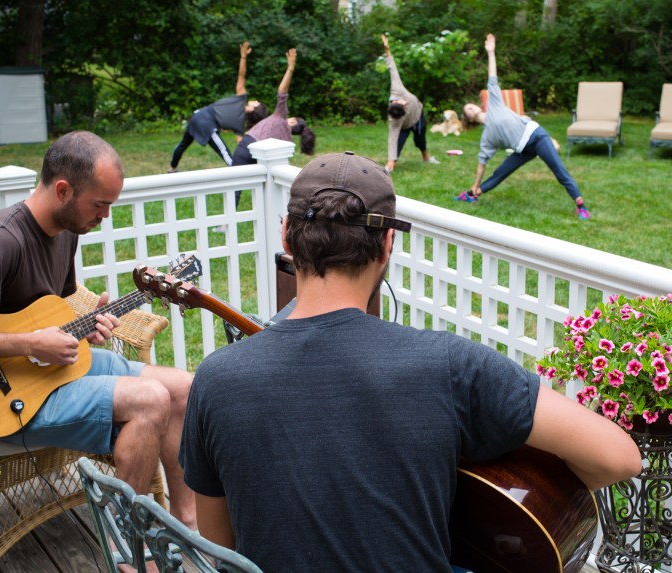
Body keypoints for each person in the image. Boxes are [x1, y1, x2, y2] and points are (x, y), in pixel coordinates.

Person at [178, 151, 642, 572]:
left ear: (287, 236)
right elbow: (619, 458)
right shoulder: (450, 365)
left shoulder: (216, 378)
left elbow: (222, 541)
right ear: (386, 247)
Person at [0, 131, 196, 534]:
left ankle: (189, 523)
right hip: (7, 397)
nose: (105, 216)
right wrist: (29, 343)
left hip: (51, 374)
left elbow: (46, 312)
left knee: (184, 388)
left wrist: (88, 322)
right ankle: (126, 544)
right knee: (150, 399)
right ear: (63, 189)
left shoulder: (65, 232)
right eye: (100, 204)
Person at [455, 34, 590, 220]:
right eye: (467, 110)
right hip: (523, 149)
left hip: (536, 136)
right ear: (469, 119)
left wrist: (491, 53)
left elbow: (492, 76)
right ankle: (472, 194)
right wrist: (475, 184)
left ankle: (581, 205)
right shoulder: (487, 137)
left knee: (558, 170)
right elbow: (481, 164)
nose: (470, 107)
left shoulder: (493, 102)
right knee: (501, 172)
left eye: (471, 105)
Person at [230, 47, 316, 207]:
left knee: (234, 185)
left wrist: (290, 68)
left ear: (292, 122)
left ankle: (225, 225)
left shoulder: (280, 117)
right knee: (265, 186)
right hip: (264, 158)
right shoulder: (288, 142)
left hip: (247, 145)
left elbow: (282, 91)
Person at [168, 41, 267, 173]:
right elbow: (241, 75)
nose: (255, 100)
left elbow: (240, 143)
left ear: (251, 109)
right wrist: (243, 57)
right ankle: (236, 172)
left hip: (199, 116)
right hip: (206, 121)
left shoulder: (240, 119)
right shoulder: (240, 101)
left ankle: (172, 168)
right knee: (224, 151)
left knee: (183, 144)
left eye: (256, 103)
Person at [381, 34, 440, 173]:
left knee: (420, 141)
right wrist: (390, 158)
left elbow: (392, 69)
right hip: (405, 124)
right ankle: (390, 165)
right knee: (398, 143)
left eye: (404, 103)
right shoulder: (394, 119)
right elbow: (392, 138)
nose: (405, 102)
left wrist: (387, 50)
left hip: (417, 115)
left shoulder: (397, 87)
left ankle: (426, 157)